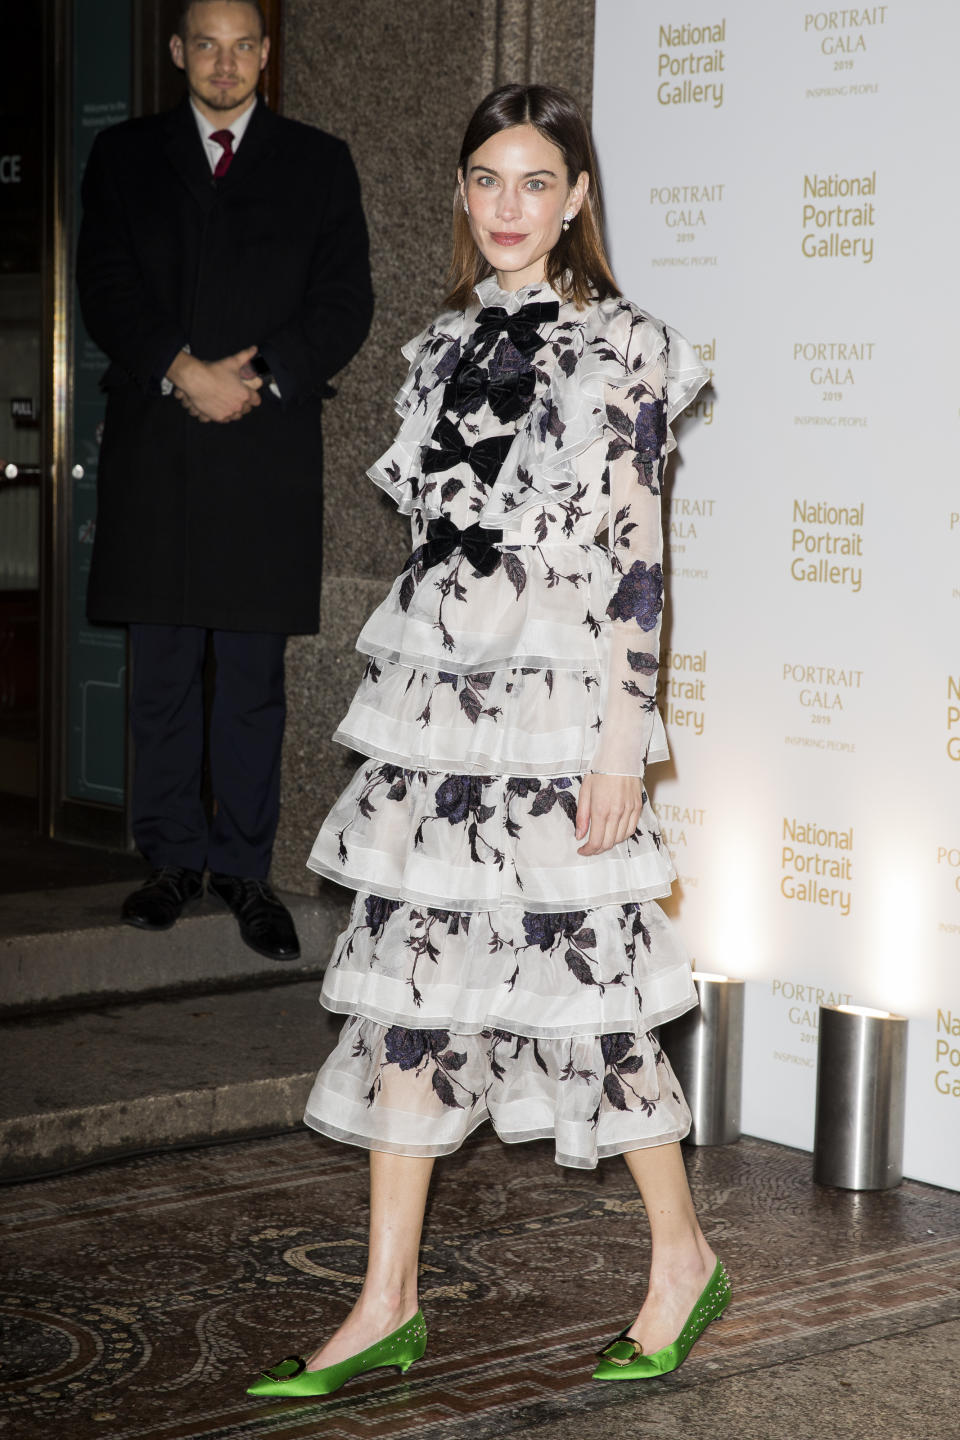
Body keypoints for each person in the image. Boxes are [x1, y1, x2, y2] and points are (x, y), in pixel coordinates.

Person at [246, 83, 728, 1399]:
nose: (509, 206)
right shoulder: (446, 348)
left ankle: (680, 1259)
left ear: (576, 198)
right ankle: (383, 1300)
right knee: (412, 994)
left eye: (535, 181)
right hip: (447, 731)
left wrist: (623, 741)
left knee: (594, 1001)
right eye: (485, 180)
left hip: (569, 719)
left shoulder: (623, 343)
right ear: (462, 197)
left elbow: (641, 559)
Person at [76, 0, 373, 960]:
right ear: (178, 54)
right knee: (162, 675)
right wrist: (182, 366)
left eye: (244, 44)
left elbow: (346, 298)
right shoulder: (123, 158)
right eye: (206, 43)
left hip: (263, 454)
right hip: (158, 453)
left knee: (250, 681)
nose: (226, 62)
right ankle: (169, 861)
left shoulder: (318, 162)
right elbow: (106, 285)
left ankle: (245, 872)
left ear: (265, 55)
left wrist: (265, 373)